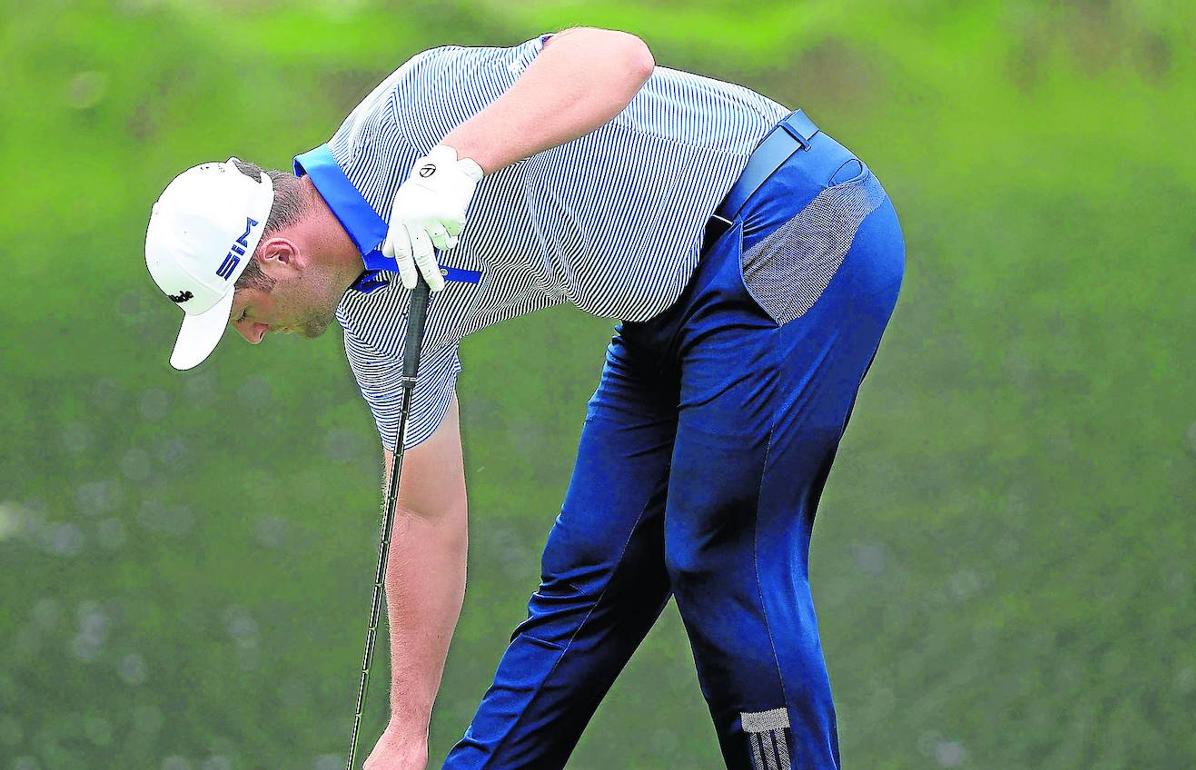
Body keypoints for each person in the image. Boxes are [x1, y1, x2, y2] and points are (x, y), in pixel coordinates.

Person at [143, 27, 904, 770]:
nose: (252, 335)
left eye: (242, 313)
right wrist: (406, 729)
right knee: (587, 571)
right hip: (667, 303)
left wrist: (458, 163)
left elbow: (617, 57)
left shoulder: (407, 111)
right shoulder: (373, 322)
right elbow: (425, 512)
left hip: (796, 221)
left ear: (279, 258)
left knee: (716, 554)